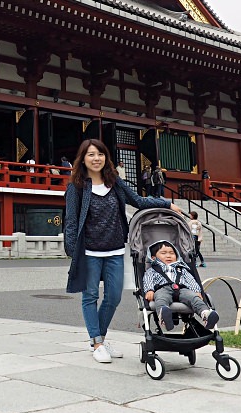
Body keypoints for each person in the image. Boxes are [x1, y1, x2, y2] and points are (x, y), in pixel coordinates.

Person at [64, 138, 181, 363]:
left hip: (115, 249)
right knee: (90, 297)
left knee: (114, 297)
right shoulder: (77, 187)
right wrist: (72, 251)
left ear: (106, 157)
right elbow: (70, 221)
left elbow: (138, 201)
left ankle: (99, 338)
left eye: (100, 154)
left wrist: (165, 204)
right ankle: (97, 342)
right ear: (83, 159)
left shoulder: (114, 182)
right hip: (89, 251)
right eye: (90, 154)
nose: (96, 158)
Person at [142, 240, 219, 330]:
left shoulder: (181, 269)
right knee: (160, 298)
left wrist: (196, 291)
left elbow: (191, 280)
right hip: (162, 288)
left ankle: (205, 314)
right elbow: (148, 279)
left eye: (172, 253)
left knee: (194, 298)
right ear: (153, 257)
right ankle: (164, 315)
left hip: (183, 289)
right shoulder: (153, 270)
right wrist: (149, 290)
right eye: (163, 253)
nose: (168, 255)